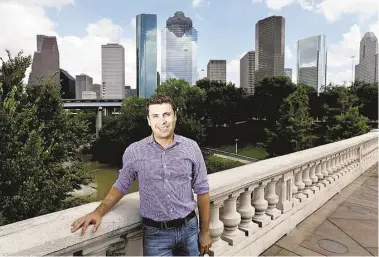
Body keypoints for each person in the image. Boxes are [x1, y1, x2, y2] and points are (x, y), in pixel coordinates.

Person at [71, 94, 212, 256]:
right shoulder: (135, 151)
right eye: (155, 116)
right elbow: (121, 186)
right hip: (156, 236)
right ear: (148, 120)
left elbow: (202, 191)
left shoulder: (191, 148)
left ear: (175, 116)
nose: (162, 121)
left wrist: (205, 231)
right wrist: (98, 212)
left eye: (167, 114)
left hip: (189, 228)